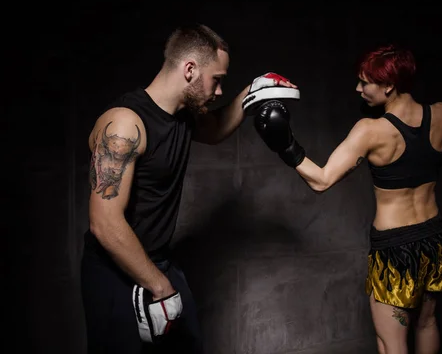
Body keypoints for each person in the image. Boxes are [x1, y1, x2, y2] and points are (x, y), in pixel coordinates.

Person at [80, 23, 298, 353]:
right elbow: (104, 223)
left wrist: (254, 91)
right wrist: (160, 286)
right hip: (115, 270)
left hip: (158, 261)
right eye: (217, 79)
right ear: (190, 69)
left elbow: (215, 129)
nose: (220, 90)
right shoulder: (124, 124)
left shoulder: (185, 115)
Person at [251, 44, 442, 354]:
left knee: (391, 344)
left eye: (365, 82)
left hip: (396, 250)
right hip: (435, 240)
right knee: (427, 323)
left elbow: (321, 181)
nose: (358, 88)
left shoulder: (370, 131)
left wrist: (285, 145)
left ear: (388, 85)